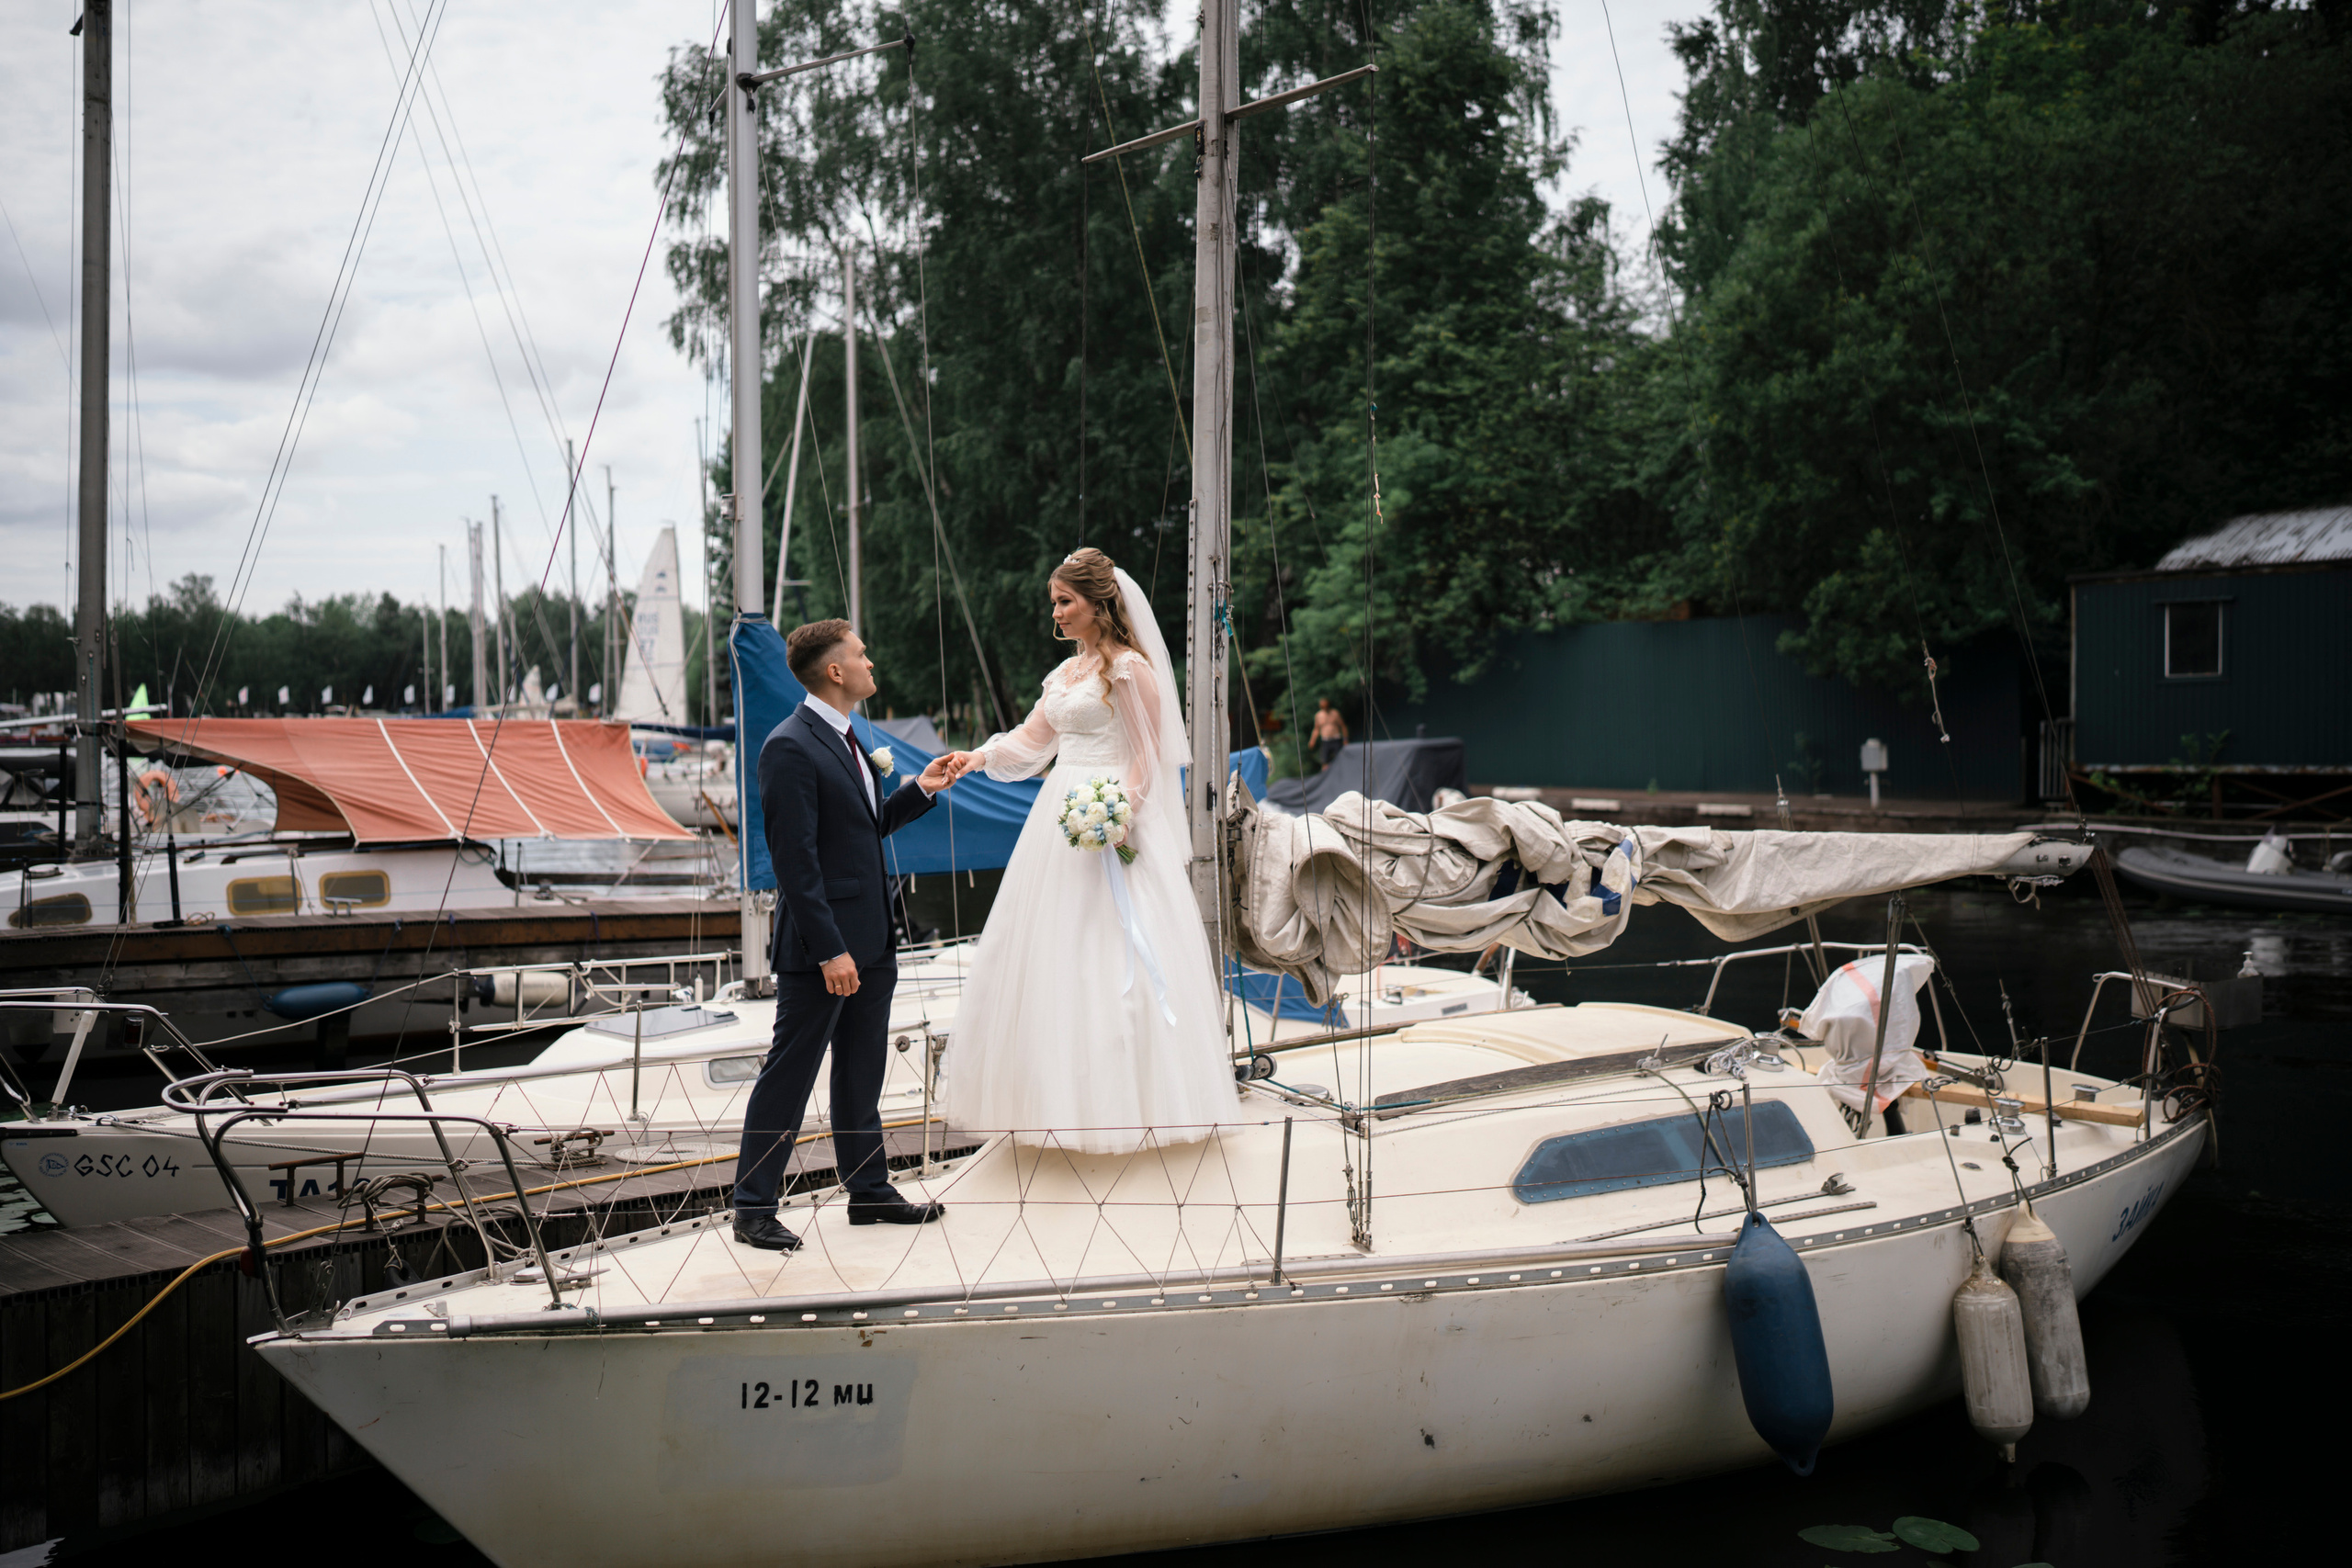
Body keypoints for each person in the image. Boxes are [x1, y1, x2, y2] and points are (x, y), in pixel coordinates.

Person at [934, 548, 1240, 1155]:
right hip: (1056, 822)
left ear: (1100, 604)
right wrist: (978, 757)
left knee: (1113, 954)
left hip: (1108, 816)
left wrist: (1117, 811)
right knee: (1052, 957)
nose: (1057, 612)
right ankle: (1050, 1105)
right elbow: (1032, 740)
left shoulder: (1129, 670)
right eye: (1055, 602)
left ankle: (1137, 1105)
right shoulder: (1065, 675)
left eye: (1065, 601)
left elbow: (1148, 756)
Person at [729, 619, 968, 1251]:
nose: (869, 661)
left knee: (862, 1071)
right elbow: (796, 861)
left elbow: (863, 828)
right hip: (823, 948)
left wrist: (920, 789)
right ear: (834, 671)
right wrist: (831, 947)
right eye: (860, 654)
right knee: (791, 1072)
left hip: (873, 937)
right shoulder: (789, 744)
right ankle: (753, 1206)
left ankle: (868, 1190)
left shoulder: (847, 736)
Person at [1310, 697, 1349, 772]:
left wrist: (1345, 739)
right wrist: (1313, 740)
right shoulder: (1318, 715)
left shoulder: (1335, 713)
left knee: (1340, 759)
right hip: (1325, 740)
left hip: (1336, 739)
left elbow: (1343, 726)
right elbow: (1316, 729)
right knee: (1324, 762)